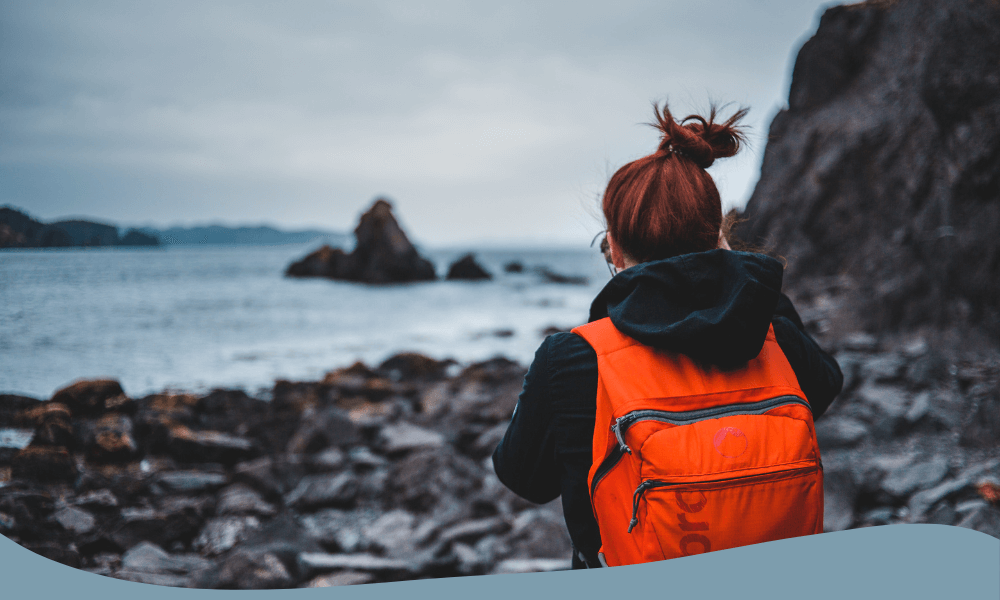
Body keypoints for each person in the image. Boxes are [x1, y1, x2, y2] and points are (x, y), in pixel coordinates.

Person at [491, 102, 843, 568]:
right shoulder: (772, 333)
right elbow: (826, 386)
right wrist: (736, 274)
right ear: (718, 236)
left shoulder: (573, 359)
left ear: (614, 248)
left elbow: (525, 478)